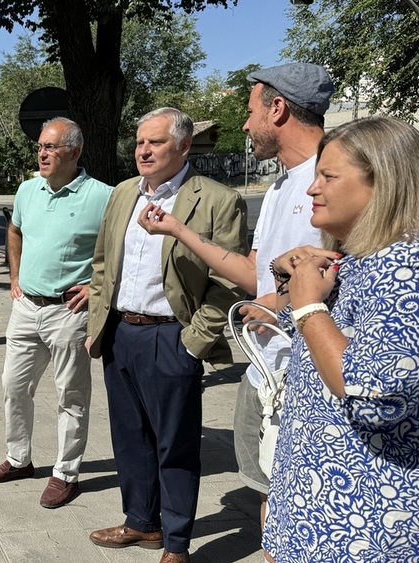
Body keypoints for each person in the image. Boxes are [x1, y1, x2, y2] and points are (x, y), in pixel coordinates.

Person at [135, 62, 333, 547]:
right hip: (264, 369)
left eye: (250, 112)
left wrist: (282, 299)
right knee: (267, 491)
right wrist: (178, 230)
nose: (245, 124)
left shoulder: (335, 180)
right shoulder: (282, 185)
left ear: (278, 109)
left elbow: (345, 265)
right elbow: (255, 273)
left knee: (296, 503)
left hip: (309, 373)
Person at [87, 108, 248, 563]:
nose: (143, 150)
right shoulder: (122, 194)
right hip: (121, 334)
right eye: (140, 142)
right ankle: (141, 523)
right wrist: (97, 325)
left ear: (182, 146)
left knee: (174, 444)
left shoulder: (217, 200)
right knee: (129, 437)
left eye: (155, 143)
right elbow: (102, 264)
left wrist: (194, 341)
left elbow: (230, 281)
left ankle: (176, 543)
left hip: (171, 338)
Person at [263, 116, 419, 562]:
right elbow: (316, 350)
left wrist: (310, 305)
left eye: (328, 176)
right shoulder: (356, 260)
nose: (313, 189)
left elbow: (370, 392)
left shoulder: (405, 269)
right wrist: (292, 282)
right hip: (320, 514)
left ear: (383, 180)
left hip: (365, 527)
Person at [0, 117, 113, 509]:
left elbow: (120, 246)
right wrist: (15, 276)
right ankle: (18, 459)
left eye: (51, 147)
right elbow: (15, 230)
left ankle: (66, 474)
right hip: (26, 308)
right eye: (40, 146)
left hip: (68, 312)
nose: (42, 153)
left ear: (74, 152)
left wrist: (96, 287)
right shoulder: (27, 189)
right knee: (13, 386)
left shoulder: (101, 196)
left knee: (71, 394)